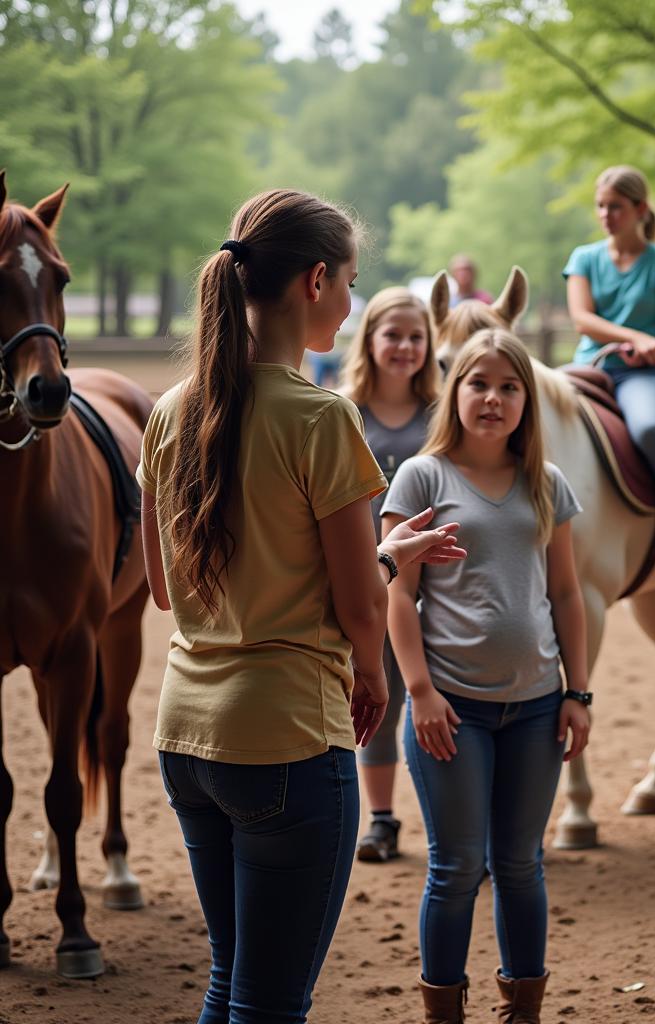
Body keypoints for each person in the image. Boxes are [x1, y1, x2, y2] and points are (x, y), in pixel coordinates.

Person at [136, 189, 465, 1024]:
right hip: (285, 736)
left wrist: (384, 553)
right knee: (271, 1003)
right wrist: (375, 671)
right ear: (316, 281)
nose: (353, 303)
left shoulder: (171, 413)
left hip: (187, 734)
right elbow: (361, 607)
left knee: (229, 984)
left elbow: (168, 587)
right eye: (351, 282)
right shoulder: (322, 417)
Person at [382, 328, 591, 1024]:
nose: (493, 399)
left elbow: (566, 594)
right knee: (456, 867)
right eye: (478, 384)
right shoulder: (423, 476)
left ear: (527, 400)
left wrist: (578, 692)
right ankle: (445, 1014)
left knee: (522, 863)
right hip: (452, 708)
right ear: (454, 390)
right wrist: (420, 692)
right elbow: (398, 596)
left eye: (509, 387)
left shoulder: (546, 482)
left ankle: (522, 1011)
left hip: (536, 708)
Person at [563, 164, 655, 571]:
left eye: (616, 207)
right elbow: (582, 320)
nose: (606, 215)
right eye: (601, 206)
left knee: (649, 428)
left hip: (643, 374)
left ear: (641, 208)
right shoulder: (584, 258)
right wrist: (633, 336)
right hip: (588, 366)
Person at [341, 286, 441, 863]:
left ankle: (446, 817)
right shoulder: (345, 410)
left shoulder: (441, 411)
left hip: (438, 584)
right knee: (374, 694)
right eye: (393, 335)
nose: (404, 346)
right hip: (373, 580)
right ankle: (381, 819)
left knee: (437, 696)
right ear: (370, 339)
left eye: (416, 337)